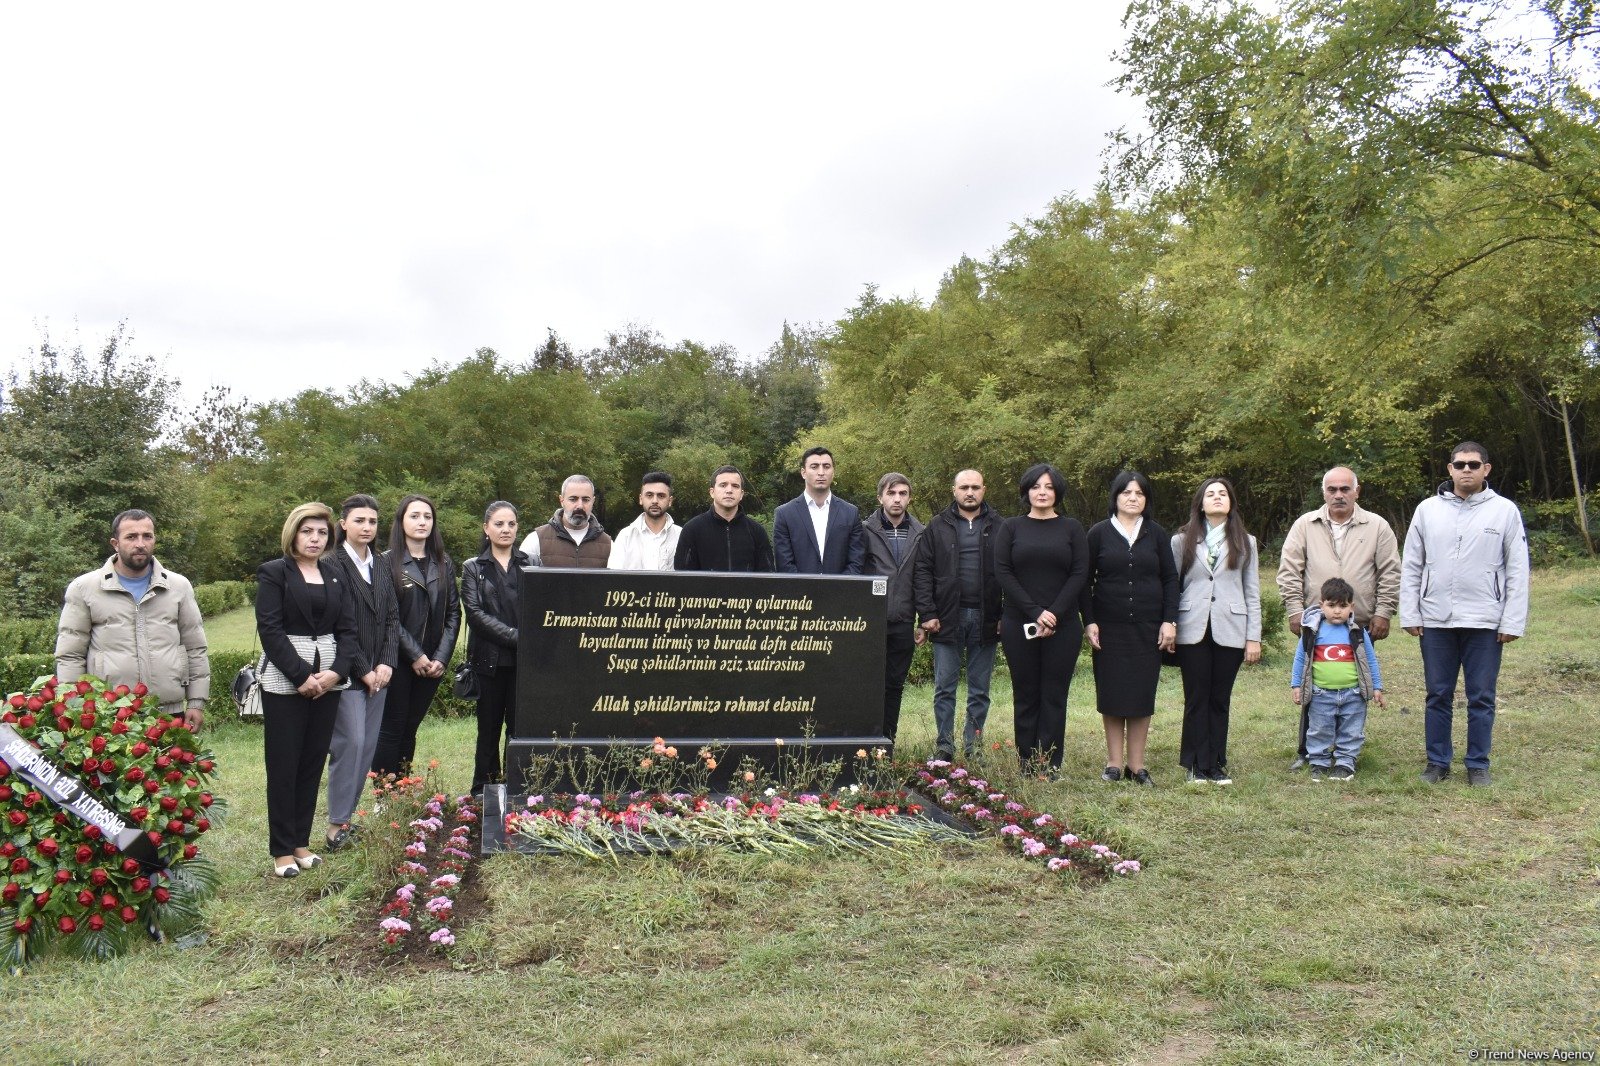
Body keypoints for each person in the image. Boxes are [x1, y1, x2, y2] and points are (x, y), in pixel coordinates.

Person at [1400, 441, 1529, 787]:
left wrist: (1512, 619)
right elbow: (1412, 562)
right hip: (1436, 619)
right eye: (1460, 464)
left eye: (1474, 464)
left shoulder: (1504, 511)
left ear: (1487, 469)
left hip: (1485, 620)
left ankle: (1477, 765)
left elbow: (1517, 568)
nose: (1466, 470)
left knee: (1482, 696)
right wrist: (1410, 613)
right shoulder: (1427, 510)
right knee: (1437, 694)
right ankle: (1437, 763)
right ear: (1450, 469)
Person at [255, 503, 359, 878]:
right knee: (284, 764)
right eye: (307, 531)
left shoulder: (335, 574)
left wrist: (335, 673)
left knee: (312, 763)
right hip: (287, 681)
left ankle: (301, 842)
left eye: (321, 532)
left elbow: (349, 630)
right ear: (293, 534)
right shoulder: (273, 573)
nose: (315, 539)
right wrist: (302, 676)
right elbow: (270, 629)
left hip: (329, 679)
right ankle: (282, 850)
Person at [1276, 465, 1400, 770]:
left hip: (1359, 626)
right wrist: (1295, 610)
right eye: (1332, 490)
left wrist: (1384, 612)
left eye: (1345, 489)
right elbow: (1290, 570)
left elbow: (1390, 572)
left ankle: (1346, 752)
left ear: (1357, 492)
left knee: (1353, 686)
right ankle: (1309, 751)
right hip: (1316, 627)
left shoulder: (1377, 526)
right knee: (1313, 686)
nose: (1339, 495)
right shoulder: (1305, 525)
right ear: (1323, 493)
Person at [55, 509, 210, 731]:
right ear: (115, 543)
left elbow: (195, 647)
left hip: (168, 711)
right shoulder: (84, 588)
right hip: (109, 711)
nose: (140, 543)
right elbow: (70, 654)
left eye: (147, 536)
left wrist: (196, 701)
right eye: (131, 537)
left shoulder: (178, 586)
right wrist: (73, 704)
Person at [1081, 471, 1178, 786]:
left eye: (1139, 493)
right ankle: (1113, 764)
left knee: (1139, 696)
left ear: (1146, 499)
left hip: (1148, 627)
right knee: (1112, 695)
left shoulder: (1156, 534)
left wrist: (1169, 620)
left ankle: (1137, 766)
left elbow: (1169, 579)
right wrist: (1090, 620)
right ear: (1116, 497)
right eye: (1126, 492)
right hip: (1109, 627)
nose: (1133, 498)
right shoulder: (1098, 533)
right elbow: (1085, 580)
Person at [995, 464, 1089, 777]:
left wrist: (1055, 612)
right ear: (1027, 491)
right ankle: (1026, 761)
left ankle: (1048, 762)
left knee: (1054, 693)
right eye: (1036, 486)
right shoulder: (1011, 528)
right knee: (1025, 692)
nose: (1042, 492)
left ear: (1057, 492)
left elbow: (1079, 573)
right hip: (1018, 622)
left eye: (1049, 487)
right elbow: (1004, 573)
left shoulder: (1072, 528)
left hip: (1063, 626)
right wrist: (1036, 611)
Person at [1171, 476, 1262, 785]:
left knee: (1220, 698)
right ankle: (1196, 764)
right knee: (1196, 697)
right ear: (1201, 503)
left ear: (1231, 502)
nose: (1217, 497)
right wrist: (1169, 624)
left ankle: (1215, 764)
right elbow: (1173, 587)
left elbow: (1252, 592)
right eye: (1211, 494)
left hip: (1232, 628)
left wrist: (1253, 636)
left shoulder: (1245, 541)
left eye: (1223, 493)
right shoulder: (1181, 540)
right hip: (1191, 627)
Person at [323, 494, 400, 852]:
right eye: (359, 521)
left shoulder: (383, 565)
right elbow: (340, 624)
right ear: (343, 524)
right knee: (350, 744)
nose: (367, 527)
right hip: (348, 672)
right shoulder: (330, 563)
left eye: (372, 521)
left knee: (366, 748)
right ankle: (335, 824)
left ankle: (347, 821)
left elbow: (392, 618)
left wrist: (386, 663)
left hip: (380, 673)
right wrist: (364, 670)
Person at [912, 470, 1001, 761]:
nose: (970, 492)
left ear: (984, 490)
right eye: (964, 487)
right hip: (947, 618)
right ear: (954, 491)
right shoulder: (937, 526)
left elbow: (1011, 574)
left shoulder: (1000, 526)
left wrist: (1005, 615)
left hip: (987, 618)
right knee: (944, 688)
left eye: (975, 487)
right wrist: (927, 613)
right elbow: (923, 571)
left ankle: (973, 747)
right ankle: (944, 746)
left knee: (980, 690)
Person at [371, 494, 460, 779]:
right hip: (395, 660)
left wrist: (441, 658)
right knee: (392, 727)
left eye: (427, 517)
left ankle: (403, 787)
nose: (422, 522)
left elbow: (453, 614)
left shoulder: (443, 563)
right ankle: (385, 793)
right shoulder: (385, 563)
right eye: (414, 516)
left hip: (432, 665)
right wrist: (416, 655)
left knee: (411, 726)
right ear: (401, 522)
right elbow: (388, 616)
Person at [462, 501, 529, 795]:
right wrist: (516, 636)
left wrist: (525, 641)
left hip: (523, 663)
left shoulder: (530, 564)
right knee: (488, 729)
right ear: (486, 528)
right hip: (488, 662)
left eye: (511, 524)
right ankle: (484, 788)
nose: (506, 530)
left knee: (518, 730)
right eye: (499, 524)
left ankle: (516, 786)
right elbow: (475, 615)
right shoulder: (473, 568)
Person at [1291, 577, 1385, 781]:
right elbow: (1301, 659)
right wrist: (1296, 684)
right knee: (1319, 729)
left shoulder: (1358, 632)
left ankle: (1345, 763)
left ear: (1351, 607)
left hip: (1353, 694)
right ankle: (1319, 762)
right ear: (1321, 605)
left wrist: (1376, 686)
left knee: (1351, 731)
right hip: (1320, 693)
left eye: (1343, 606)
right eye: (1331, 605)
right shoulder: (1311, 632)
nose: (1337, 611)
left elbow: (1370, 660)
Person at [861, 472, 926, 741]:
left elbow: (925, 579)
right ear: (880, 497)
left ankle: (888, 742)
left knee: (894, 685)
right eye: (891, 493)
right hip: (870, 622)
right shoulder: (864, 530)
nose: (897, 499)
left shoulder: (922, 533)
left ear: (909, 497)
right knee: (868, 684)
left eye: (902, 493)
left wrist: (924, 619)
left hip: (903, 621)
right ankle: (864, 740)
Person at [773, 446, 866, 575]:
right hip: (800, 593)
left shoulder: (851, 513)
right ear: (803, 472)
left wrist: (838, 590)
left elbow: (856, 561)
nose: (821, 472)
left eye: (826, 466)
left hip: (840, 592)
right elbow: (784, 564)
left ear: (833, 472)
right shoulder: (785, 514)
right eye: (814, 466)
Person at [674, 466, 775, 572]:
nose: (729, 490)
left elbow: (767, 576)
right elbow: (683, 577)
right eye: (723, 485)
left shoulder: (756, 531)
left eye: (735, 486)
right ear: (712, 492)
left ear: (741, 494)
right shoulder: (692, 529)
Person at [519, 475, 612, 568]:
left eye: (585, 500)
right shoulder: (536, 540)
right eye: (573, 499)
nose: (580, 505)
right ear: (561, 500)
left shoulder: (608, 545)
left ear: (593, 501)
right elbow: (519, 578)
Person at [608, 471, 680, 571]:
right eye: (649, 495)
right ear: (641, 499)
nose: (655, 501)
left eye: (661, 496)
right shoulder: (626, 536)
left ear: (670, 501)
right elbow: (614, 577)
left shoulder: (681, 535)